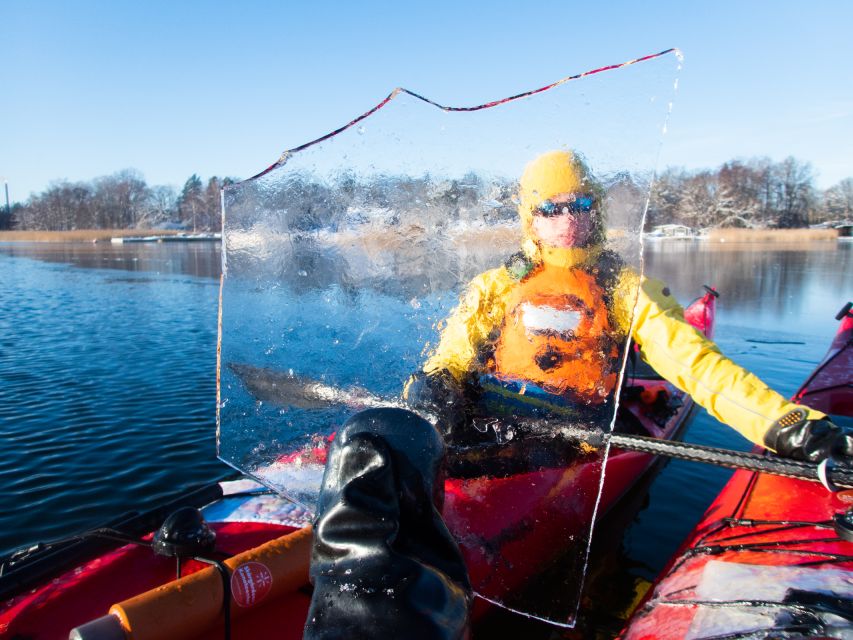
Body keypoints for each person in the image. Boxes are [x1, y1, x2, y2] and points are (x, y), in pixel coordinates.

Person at [404, 150, 852, 463]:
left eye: (579, 205)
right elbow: (451, 355)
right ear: (530, 217)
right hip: (497, 419)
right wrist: (433, 384)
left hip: (572, 438)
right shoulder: (497, 285)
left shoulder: (622, 288)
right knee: (379, 436)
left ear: (594, 211)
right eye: (550, 209)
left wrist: (794, 427)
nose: (567, 220)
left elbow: (697, 367)